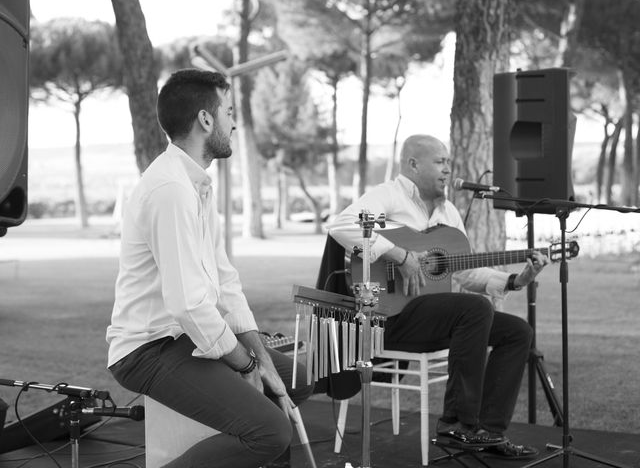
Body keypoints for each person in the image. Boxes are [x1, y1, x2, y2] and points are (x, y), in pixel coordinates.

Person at [106, 69, 313, 468]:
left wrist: (264, 361)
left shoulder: (197, 185)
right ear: (205, 119)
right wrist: (247, 364)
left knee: (296, 381)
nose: (234, 123)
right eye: (229, 112)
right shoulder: (171, 190)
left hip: (184, 336)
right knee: (271, 432)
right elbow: (189, 304)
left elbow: (225, 282)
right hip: (148, 349)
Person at [329, 134, 548, 459]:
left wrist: (517, 279)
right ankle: (457, 426)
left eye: (448, 163)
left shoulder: (448, 214)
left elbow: (466, 273)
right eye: (440, 162)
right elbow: (342, 225)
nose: (448, 170)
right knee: (473, 309)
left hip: (431, 321)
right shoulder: (389, 196)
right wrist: (400, 256)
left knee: (518, 333)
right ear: (414, 164)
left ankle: (488, 431)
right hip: (389, 317)